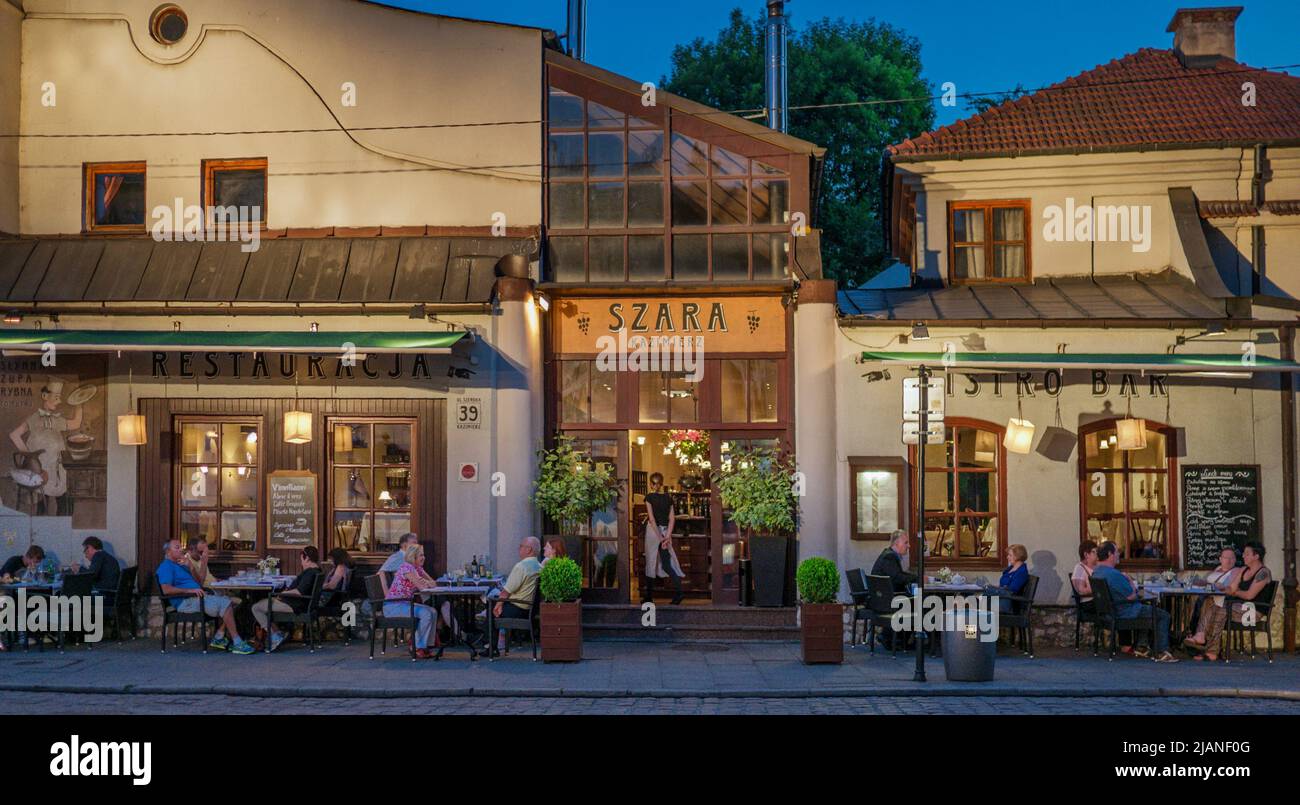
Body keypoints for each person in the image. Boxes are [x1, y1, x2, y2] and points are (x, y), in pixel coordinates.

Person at [155, 538, 254, 655]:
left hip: (197, 596)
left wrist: (191, 567)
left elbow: (199, 583)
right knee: (226, 603)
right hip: (186, 601)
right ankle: (237, 643)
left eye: (180, 547)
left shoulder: (181, 565)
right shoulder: (166, 566)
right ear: (168, 552)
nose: (181, 550)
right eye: (177, 548)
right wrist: (189, 591)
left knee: (230, 602)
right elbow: (166, 590)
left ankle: (219, 636)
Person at [1091, 542, 1178, 662]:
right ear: (1110, 554)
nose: (1118, 555)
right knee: (1163, 615)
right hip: (1125, 612)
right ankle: (1162, 652)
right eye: (1117, 552)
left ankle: (1141, 646)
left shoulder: (1097, 572)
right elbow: (1131, 596)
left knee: (1147, 608)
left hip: (1109, 613)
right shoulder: (1114, 574)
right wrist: (1131, 583)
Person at [1184, 542, 1271, 661]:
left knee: (1221, 609)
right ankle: (1204, 640)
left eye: (1247, 554)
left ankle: (1208, 646)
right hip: (1239, 606)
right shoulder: (1244, 570)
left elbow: (1250, 595)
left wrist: (1234, 592)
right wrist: (1221, 588)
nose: (1243, 556)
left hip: (1253, 611)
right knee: (1213, 603)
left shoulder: (1263, 573)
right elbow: (1231, 589)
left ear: (1256, 556)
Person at [9, 380, 83, 516]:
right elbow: (14, 435)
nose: (59, 401)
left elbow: (76, 423)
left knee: (65, 502)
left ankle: (62, 529)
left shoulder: (57, 420)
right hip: (41, 469)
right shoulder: (34, 419)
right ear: (44, 396)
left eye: (59, 398)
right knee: (42, 506)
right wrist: (30, 458)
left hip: (57, 469)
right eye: (56, 398)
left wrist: (79, 403)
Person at [252, 546, 323, 652]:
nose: (301, 563)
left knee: (256, 607)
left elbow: (299, 592)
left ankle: (275, 637)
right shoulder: (318, 571)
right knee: (264, 605)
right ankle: (277, 634)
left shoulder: (310, 573)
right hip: (302, 604)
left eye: (301, 560)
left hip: (295, 605)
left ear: (307, 558)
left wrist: (283, 593)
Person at [384, 542, 442, 659]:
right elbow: (422, 587)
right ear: (413, 556)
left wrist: (427, 583)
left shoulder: (417, 569)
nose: (423, 558)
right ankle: (416, 647)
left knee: (432, 611)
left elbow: (433, 582)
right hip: (393, 606)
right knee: (426, 613)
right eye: (421, 555)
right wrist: (426, 584)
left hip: (405, 603)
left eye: (423, 555)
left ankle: (426, 646)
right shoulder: (406, 567)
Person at [492, 537, 543, 653]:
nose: (519, 549)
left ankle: (491, 647)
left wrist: (498, 605)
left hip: (517, 608)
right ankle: (498, 643)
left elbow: (506, 591)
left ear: (528, 549)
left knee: (490, 607)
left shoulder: (521, 567)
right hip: (529, 609)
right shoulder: (540, 567)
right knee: (494, 604)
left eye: (521, 546)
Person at [1181, 547, 1239, 648]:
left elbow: (1229, 588)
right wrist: (1199, 582)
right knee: (1192, 599)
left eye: (1232, 558)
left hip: (1221, 601)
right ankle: (1189, 632)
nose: (1229, 560)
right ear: (1220, 559)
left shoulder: (1236, 571)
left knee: (1206, 602)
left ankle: (1199, 636)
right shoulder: (1217, 568)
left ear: (1235, 560)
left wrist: (1214, 585)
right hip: (1209, 597)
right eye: (1226, 557)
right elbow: (1208, 583)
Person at [642, 473, 684, 605]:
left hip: (653, 532)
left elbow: (652, 519)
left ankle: (649, 597)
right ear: (661, 484)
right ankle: (679, 592)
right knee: (667, 564)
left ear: (650, 484)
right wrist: (667, 536)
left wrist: (660, 538)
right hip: (666, 531)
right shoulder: (668, 498)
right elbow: (672, 518)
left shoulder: (648, 497)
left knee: (650, 562)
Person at [985, 544, 1029, 614]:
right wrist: (991, 586)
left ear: (1018, 556)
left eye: (1010, 555)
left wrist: (992, 589)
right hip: (1002, 598)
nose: (1007, 557)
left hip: (1008, 603)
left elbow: (1011, 590)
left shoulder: (1021, 572)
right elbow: (1003, 586)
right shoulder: (1011, 568)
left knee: (975, 603)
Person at [1071, 540, 1099, 608]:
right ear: (1086, 554)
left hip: (1097, 600)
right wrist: (1098, 588)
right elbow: (1080, 591)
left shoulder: (1096, 567)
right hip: (1089, 603)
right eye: (1094, 552)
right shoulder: (1079, 568)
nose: (1097, 554)